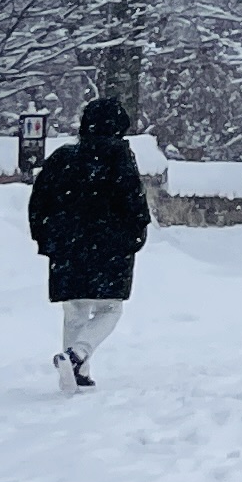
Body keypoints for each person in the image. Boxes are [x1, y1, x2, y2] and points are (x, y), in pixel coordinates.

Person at [28, 93, 153, 391]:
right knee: (110, 308)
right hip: (110, 247)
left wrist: (46, 238)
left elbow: (39, 201)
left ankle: (77, 371)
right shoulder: (120, 158)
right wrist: (135, 237)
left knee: (74, 308)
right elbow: (134, 203)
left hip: (67, 247)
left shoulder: (62, 157)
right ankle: (77, 355)